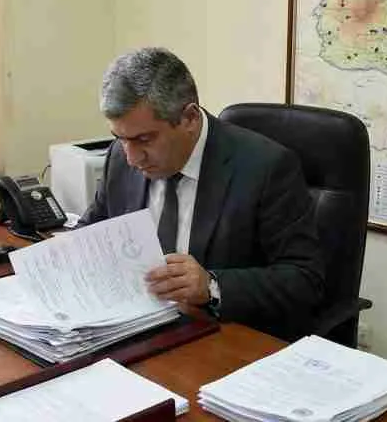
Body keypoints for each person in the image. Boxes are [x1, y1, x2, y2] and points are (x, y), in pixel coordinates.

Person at [79, 47, 326, 340]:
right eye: (120, 138)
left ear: (190, 118)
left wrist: (211, 286)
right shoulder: (119, 158)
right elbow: (91, 231)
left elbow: (305, 280)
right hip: (135, 329)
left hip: (223, 339)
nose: (132, 158)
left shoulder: (267, 168)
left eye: (144, 139)